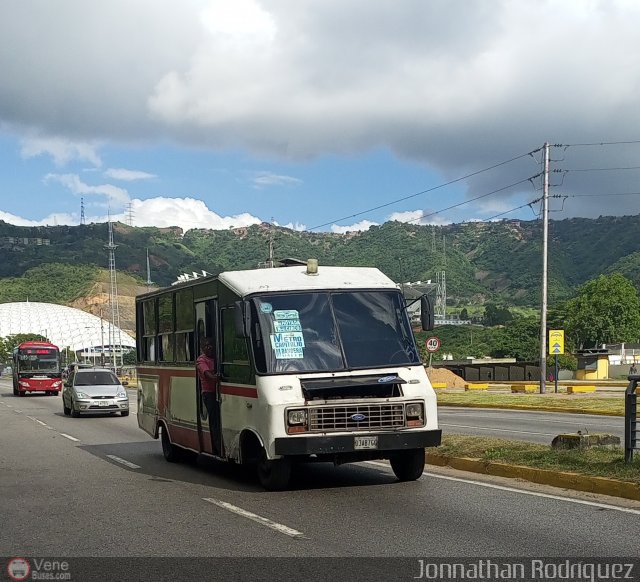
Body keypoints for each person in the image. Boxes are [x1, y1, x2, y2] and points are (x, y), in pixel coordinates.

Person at [196, 337, 222, 457]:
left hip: (220, 392)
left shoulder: (218, 357)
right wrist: (218, 377)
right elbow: (207, 375)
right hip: (209, 394)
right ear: (202, 348)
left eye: (211, 344)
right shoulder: (201, 360)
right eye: (206, 345)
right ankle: (217, 448)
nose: (209, 347)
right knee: (215, 420)